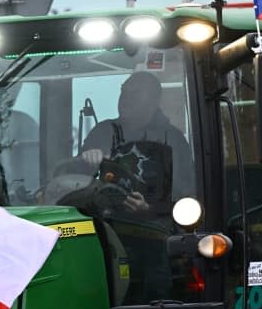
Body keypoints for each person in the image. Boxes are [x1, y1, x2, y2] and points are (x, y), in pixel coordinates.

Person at [81, 71, 193, 214]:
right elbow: (77, 181)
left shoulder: (173, 140)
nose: (126, 98)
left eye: (135, 93)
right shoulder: (102, 132)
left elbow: (186, 196)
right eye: (124, 91)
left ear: (154, 101)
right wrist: (88, 161)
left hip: (159, 229)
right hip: (105, 222)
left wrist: (148, 209)